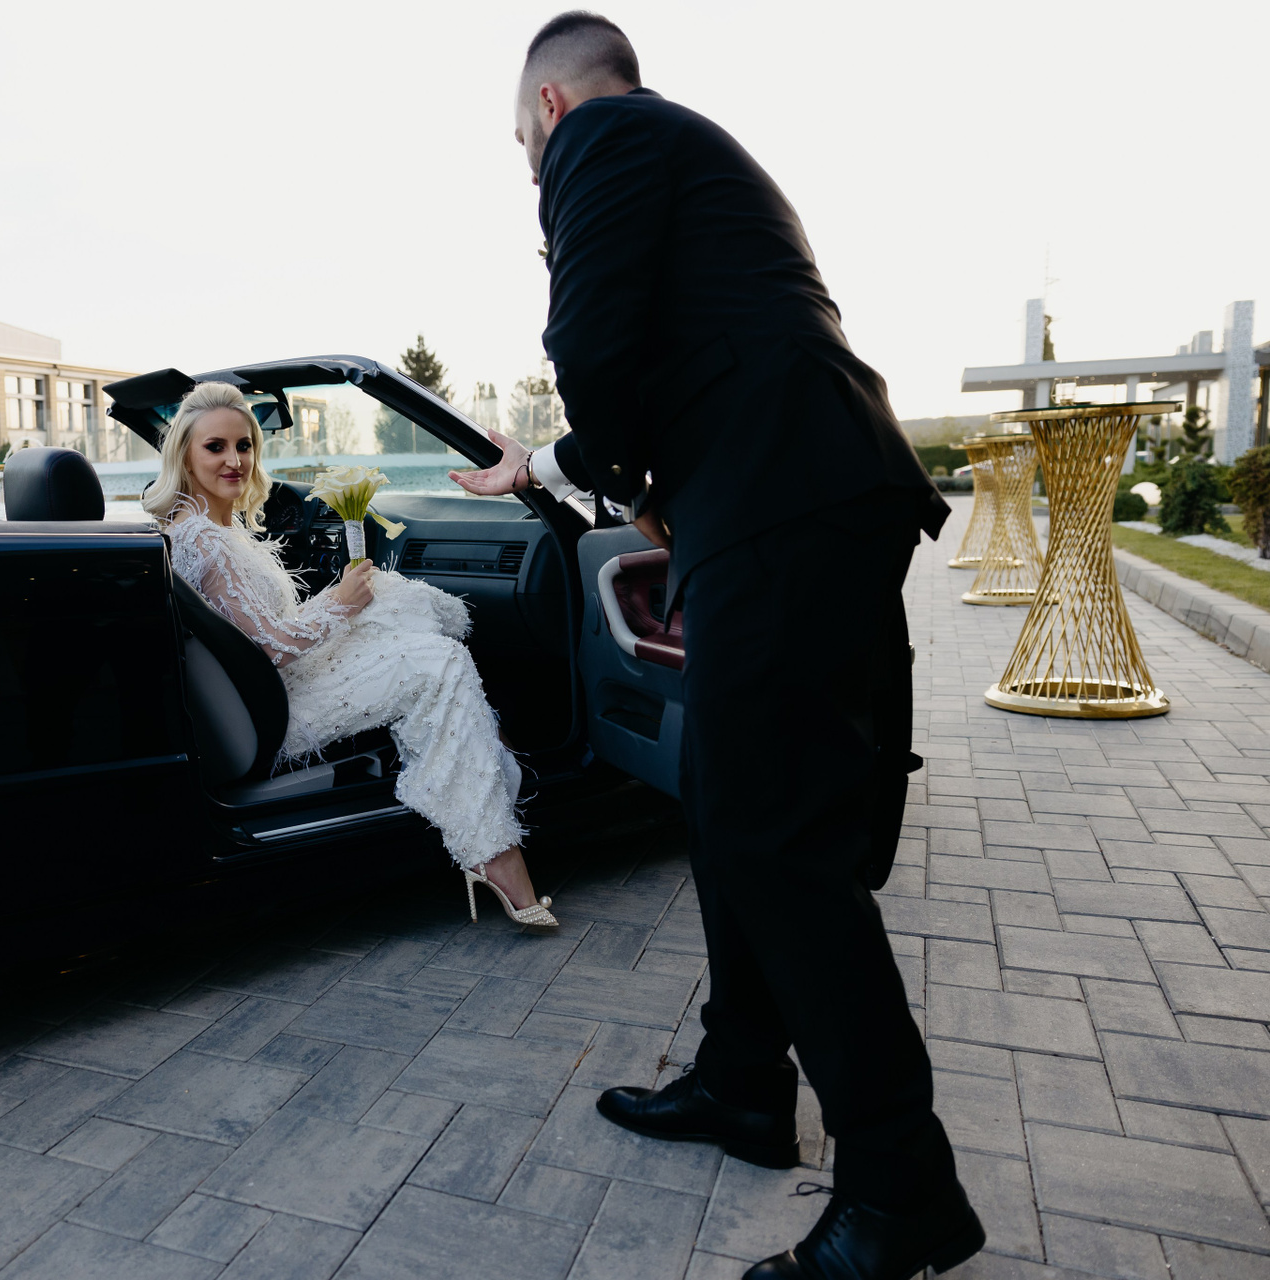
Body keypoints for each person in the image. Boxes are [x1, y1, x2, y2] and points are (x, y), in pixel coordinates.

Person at [450, 13, 983, 1280]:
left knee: (775, 837)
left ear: (550, 107)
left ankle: (902, 1187)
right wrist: (572, 468)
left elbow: (593, 339)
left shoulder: (605, 135)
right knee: (728, 800)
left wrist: (606, 463)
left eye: (522, 143)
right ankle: (744, 1079)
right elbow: (687, 350)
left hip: (782, 502)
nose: (530, 168)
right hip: (795, 492)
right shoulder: (689, 158)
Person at [147, 380, 556, 927]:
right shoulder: (206, 540)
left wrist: (349, 599)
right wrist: (340, 603)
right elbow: (268, 647)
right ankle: (492, 849)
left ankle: (476, 751)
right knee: (442, 663)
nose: (234, 460)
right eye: (215, 447)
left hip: (262, 688)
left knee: (398, 598)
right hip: (280, 706)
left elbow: (254, 635)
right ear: (185, 455)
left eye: (243, 445)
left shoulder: (197, 527)